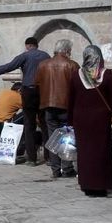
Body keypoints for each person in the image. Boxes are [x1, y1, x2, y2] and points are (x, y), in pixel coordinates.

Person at [0, 37, 50, 166]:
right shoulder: (46, 56)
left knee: (29, 125)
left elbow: (8, 67)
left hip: (28, 91)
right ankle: (49, 158)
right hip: (44, 91)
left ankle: (32, 159)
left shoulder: (25, 56)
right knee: (44, 124)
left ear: (27, 46)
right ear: (36, 45)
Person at [68, 45, 112, 197]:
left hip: (81, 120)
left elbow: (70, 99)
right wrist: (110, 112)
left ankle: (87, 184)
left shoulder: (76, 75)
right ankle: (101, 185)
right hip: (101, 120)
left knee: (85, 152)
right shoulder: (107, 74)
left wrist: (70, 120)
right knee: (101, 151)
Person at [35, 39, 79, 178]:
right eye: (70, 50)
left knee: (53, 137)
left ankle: (55, 169)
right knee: (67, 137)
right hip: (66, 106)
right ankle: (67, 168)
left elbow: (36, 84)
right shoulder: (72, 65)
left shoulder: (43, 65)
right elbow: (78, 87)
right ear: (67, 51)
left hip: (48, 105)